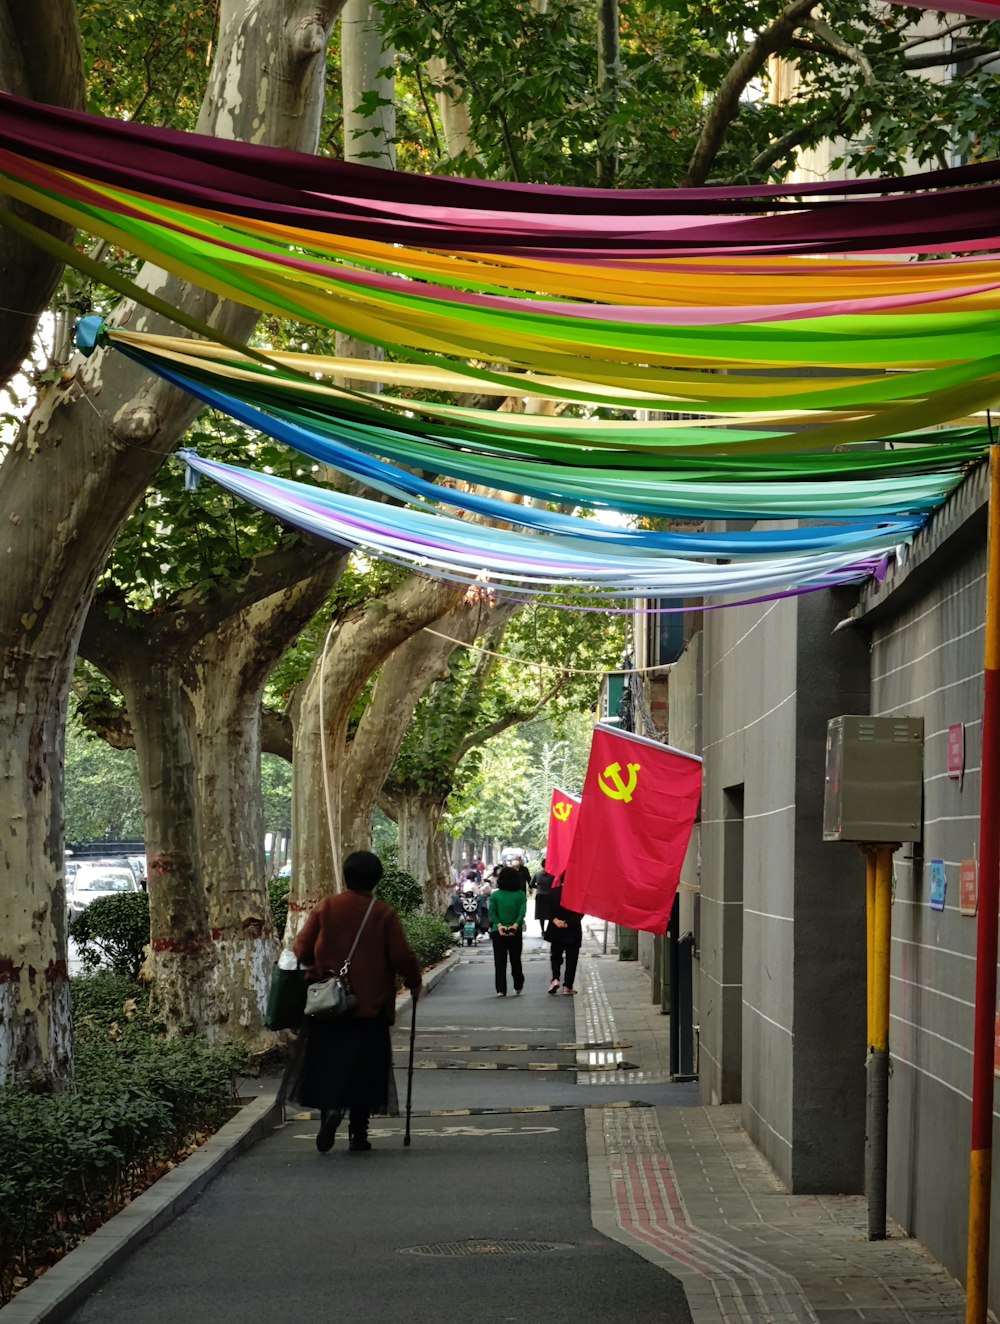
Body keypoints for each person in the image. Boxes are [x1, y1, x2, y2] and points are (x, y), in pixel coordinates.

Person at [293, 850, 422, 1154]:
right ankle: (358, 1135)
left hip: (328, 1005)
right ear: (376, 880)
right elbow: (402, 956)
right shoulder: (383, 914)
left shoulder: (326, 907)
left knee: (329, 1064)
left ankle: (330, 1112)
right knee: (365, 1069)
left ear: (346, 876)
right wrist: (414, 982)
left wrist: (322, 969)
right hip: (369, 1006)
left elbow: (301, 950)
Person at [489, 866, 527, 997]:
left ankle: (501, 989)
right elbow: (522, 912)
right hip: (515, 932)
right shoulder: (521, 895)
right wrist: (515, 925)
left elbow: (492, 912)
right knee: (515, 959)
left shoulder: (495, 895)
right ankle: (518, 984)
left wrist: (499, 925)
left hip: (497, 932)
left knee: (500, 961)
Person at [545, 872, 583, 996]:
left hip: (556, 930)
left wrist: (556, 921)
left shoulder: (553, 892)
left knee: (555, 956)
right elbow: (580, 913)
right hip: (572, 930)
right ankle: (567, 986)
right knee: (572, 959)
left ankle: (555, 979)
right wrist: (568, 924)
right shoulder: (579, 894)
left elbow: (549, 910)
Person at [531, 856, 555, 937]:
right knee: (550, 913)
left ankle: (542, 930)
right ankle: (550, 930)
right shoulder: (553, 875)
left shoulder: (537, 874)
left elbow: (531, 884)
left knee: (541, 914)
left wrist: (538, 887)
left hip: (540, 895)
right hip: (550, 896)